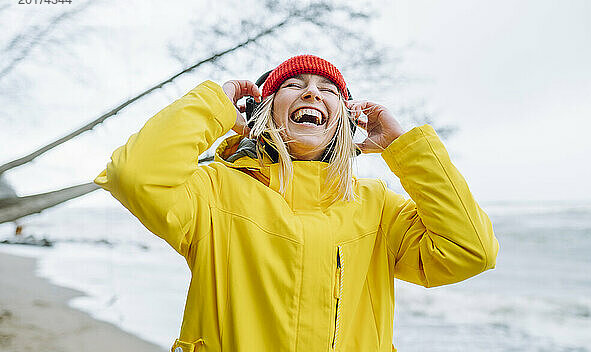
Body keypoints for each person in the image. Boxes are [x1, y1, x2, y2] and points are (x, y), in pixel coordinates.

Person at [94, 54, 499, 352]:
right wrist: (214, 106)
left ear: (344, 119)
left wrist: (403, 148)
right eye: (293, 85)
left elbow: (470, 250)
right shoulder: (214, 191)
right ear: (265, 113)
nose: (311, 92)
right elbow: (135, 175)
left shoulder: (376, 206)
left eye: (328, 90)